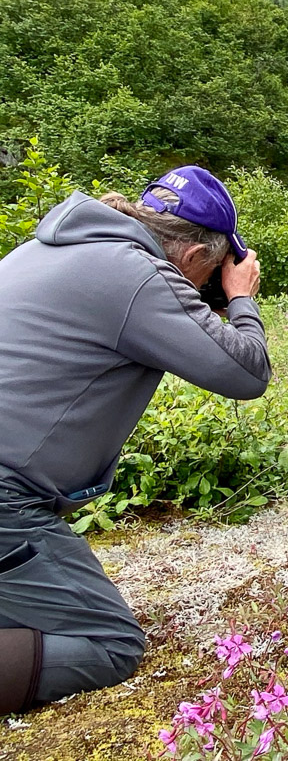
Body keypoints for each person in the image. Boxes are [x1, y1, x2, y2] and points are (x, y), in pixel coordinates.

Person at [0, 165, 271, 714]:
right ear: (196, 257)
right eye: (213, 270)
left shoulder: (46, 249)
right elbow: (245, 373)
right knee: (109, 644)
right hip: (6, 501)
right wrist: (240, 297)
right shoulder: (139, 274)